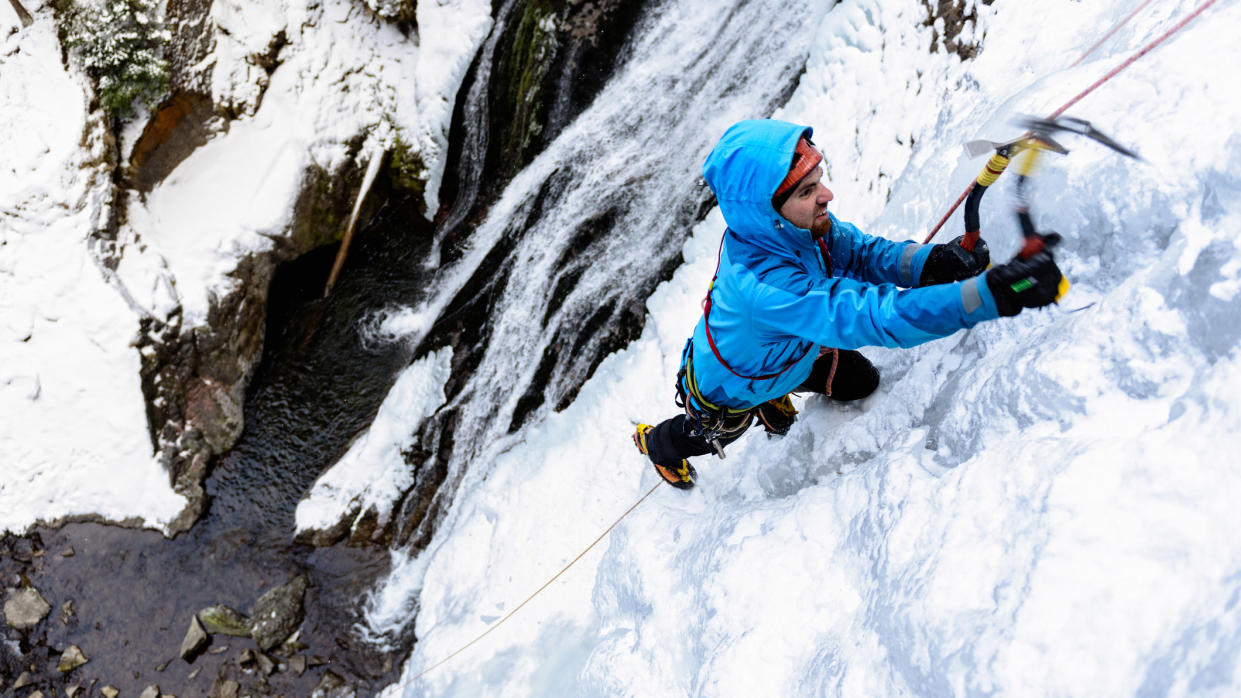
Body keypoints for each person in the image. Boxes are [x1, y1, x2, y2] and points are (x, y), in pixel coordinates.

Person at [633, 119, 1065, 489]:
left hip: (789, 351)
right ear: (768, 210)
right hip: (729, 387)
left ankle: (772, 399)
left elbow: (860, 254)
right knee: (709, 434)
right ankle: (657, 446)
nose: (827, 196)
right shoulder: (765, 288)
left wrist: (931, 263)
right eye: (807, 190)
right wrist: (991, 294)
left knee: (861, 383)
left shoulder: (796, 227)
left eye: (818, 179)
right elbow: (877, 316)